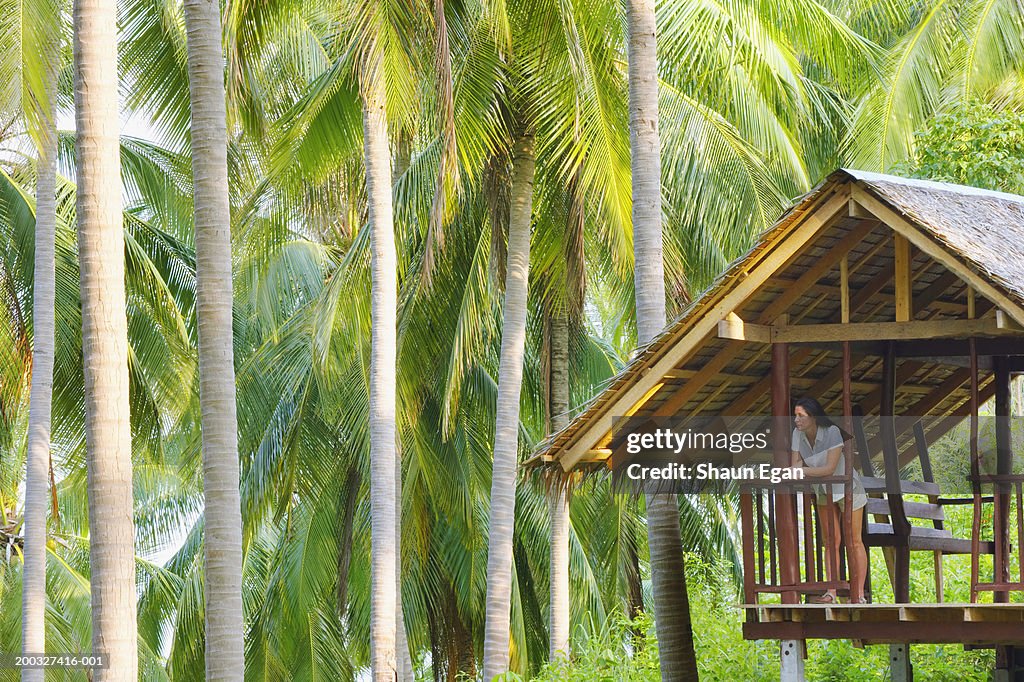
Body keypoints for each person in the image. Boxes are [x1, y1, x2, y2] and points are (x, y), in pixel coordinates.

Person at [790, 397, 868, 604]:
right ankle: (831, 592)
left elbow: (829, 468)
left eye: (801, 416)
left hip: (848, 487)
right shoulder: (797, 434)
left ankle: (858, 594)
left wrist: (803, 469)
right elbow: (793, 465)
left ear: (813, 417)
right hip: (823, 488)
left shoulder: (832, 432)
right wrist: (798, 469)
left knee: (854, 541)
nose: (796, 420)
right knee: (830, 542)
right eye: (795, 415)